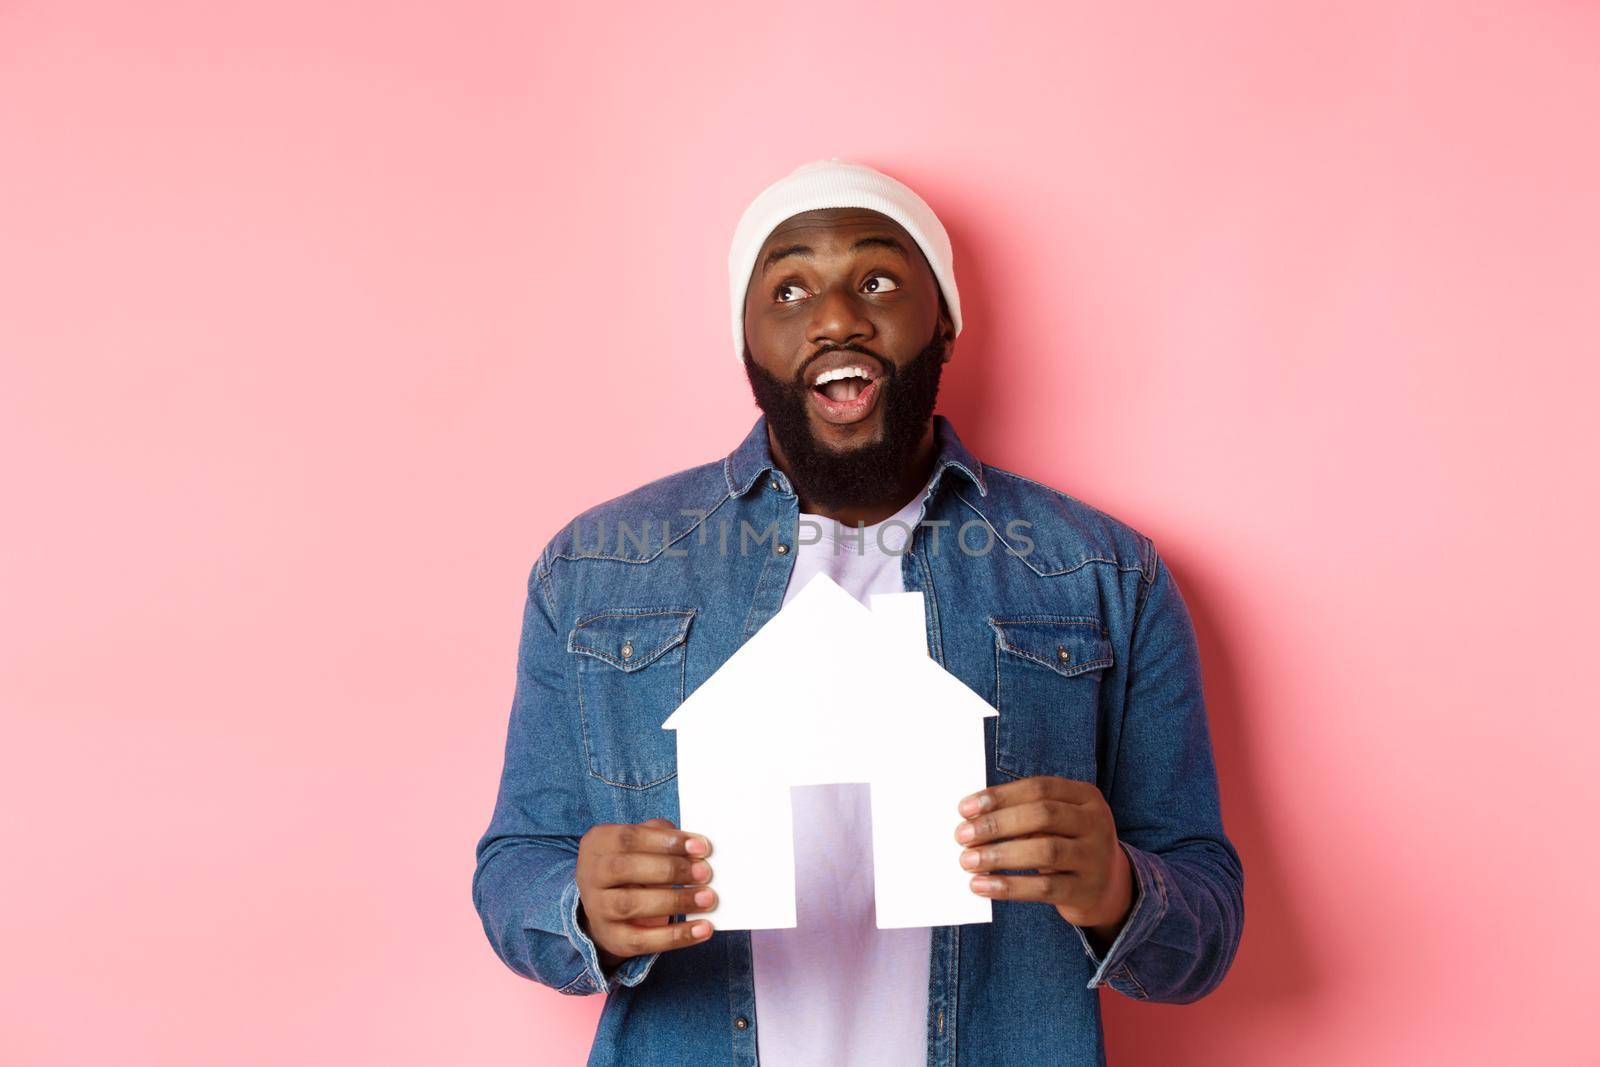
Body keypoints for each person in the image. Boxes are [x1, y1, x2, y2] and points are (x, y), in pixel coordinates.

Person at [472, 158, 1244, 1066]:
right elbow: (513, 867)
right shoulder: (596, 572)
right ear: (747, 342)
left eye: (877, 280)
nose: (836, 316)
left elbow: (1207, 918)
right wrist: (583, 910)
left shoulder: (1105, 573)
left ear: (946, 321)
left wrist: (1118, 885)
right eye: (790, 290)